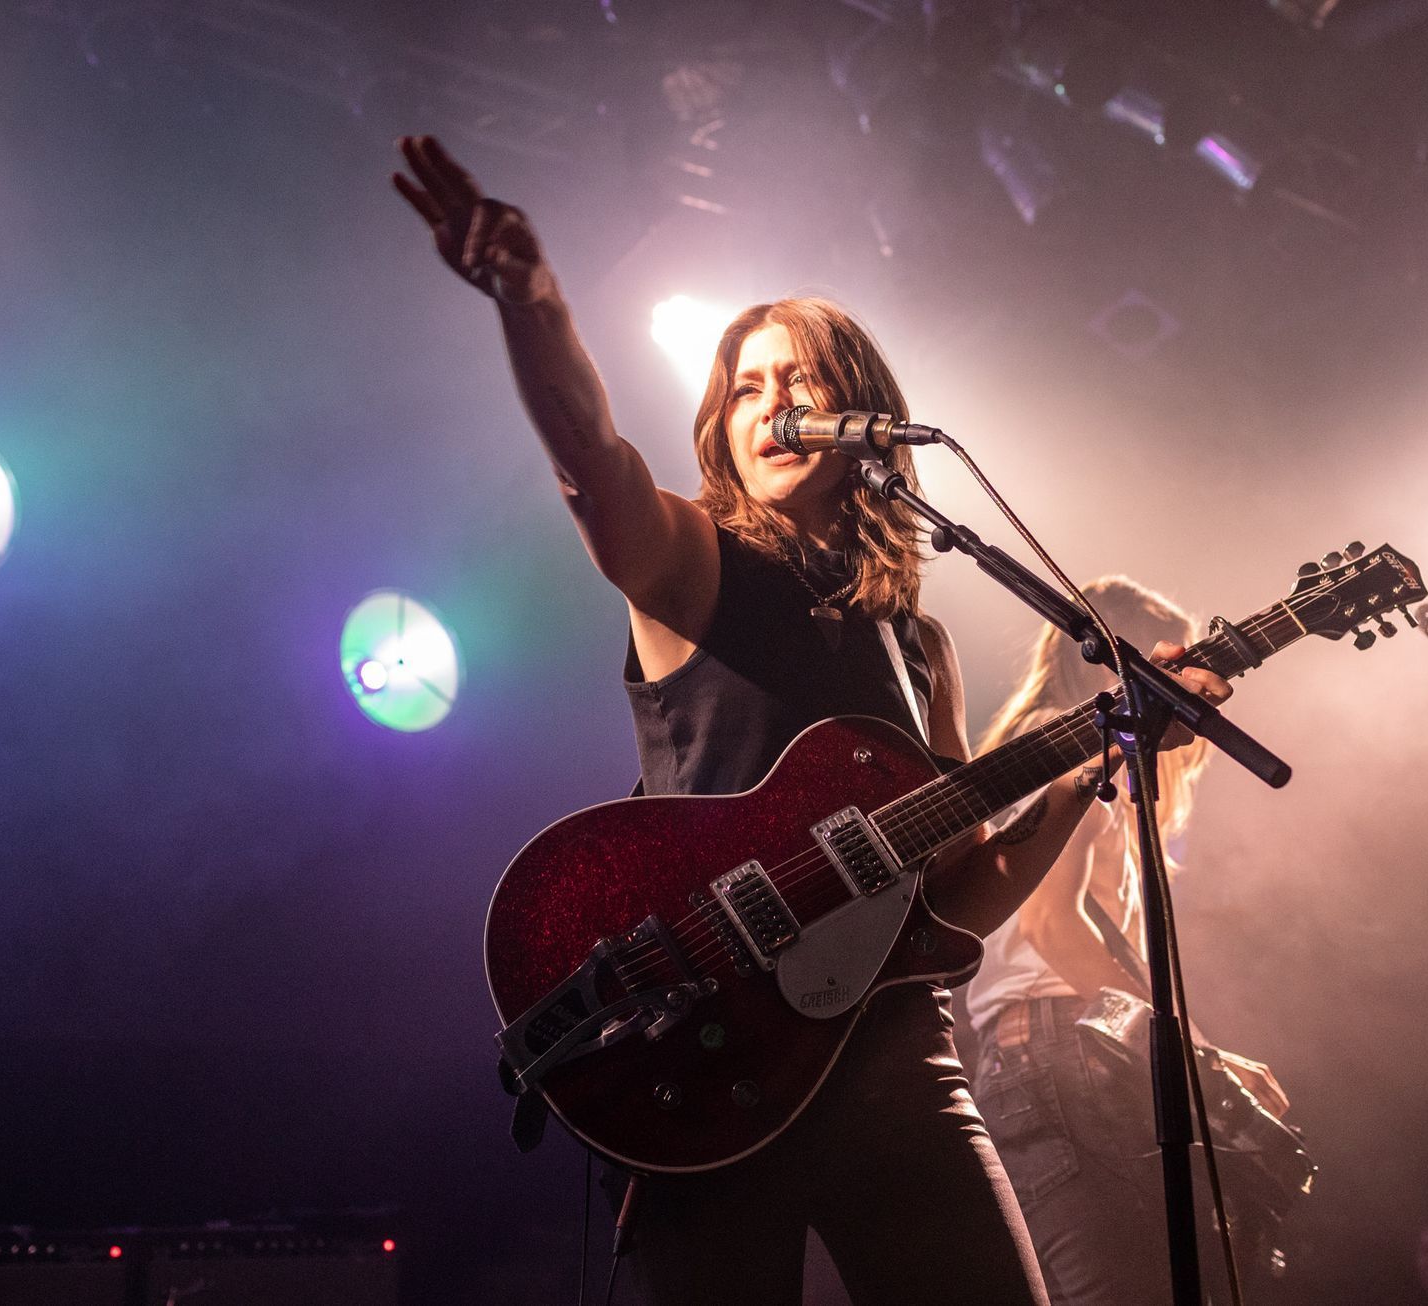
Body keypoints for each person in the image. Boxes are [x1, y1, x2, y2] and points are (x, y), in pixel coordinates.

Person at [390, 136, 1233, 1306]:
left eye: (800, 380)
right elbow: (592, 460)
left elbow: (953, 896)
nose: (772, 403)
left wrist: (1094, 759)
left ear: (866, 417)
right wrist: (533, 306)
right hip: (709, 1054)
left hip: (896, 1063)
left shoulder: (917, 642)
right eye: (745, 386)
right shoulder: (698, 566)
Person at [964, 577, 1286, 1304]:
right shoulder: (1061, 744)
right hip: (1059, 1041)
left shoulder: (1077, 748)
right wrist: (1194, 1054)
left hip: (1064, 1045)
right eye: (1168, 665)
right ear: (1115, 660)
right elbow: (1052, 924)